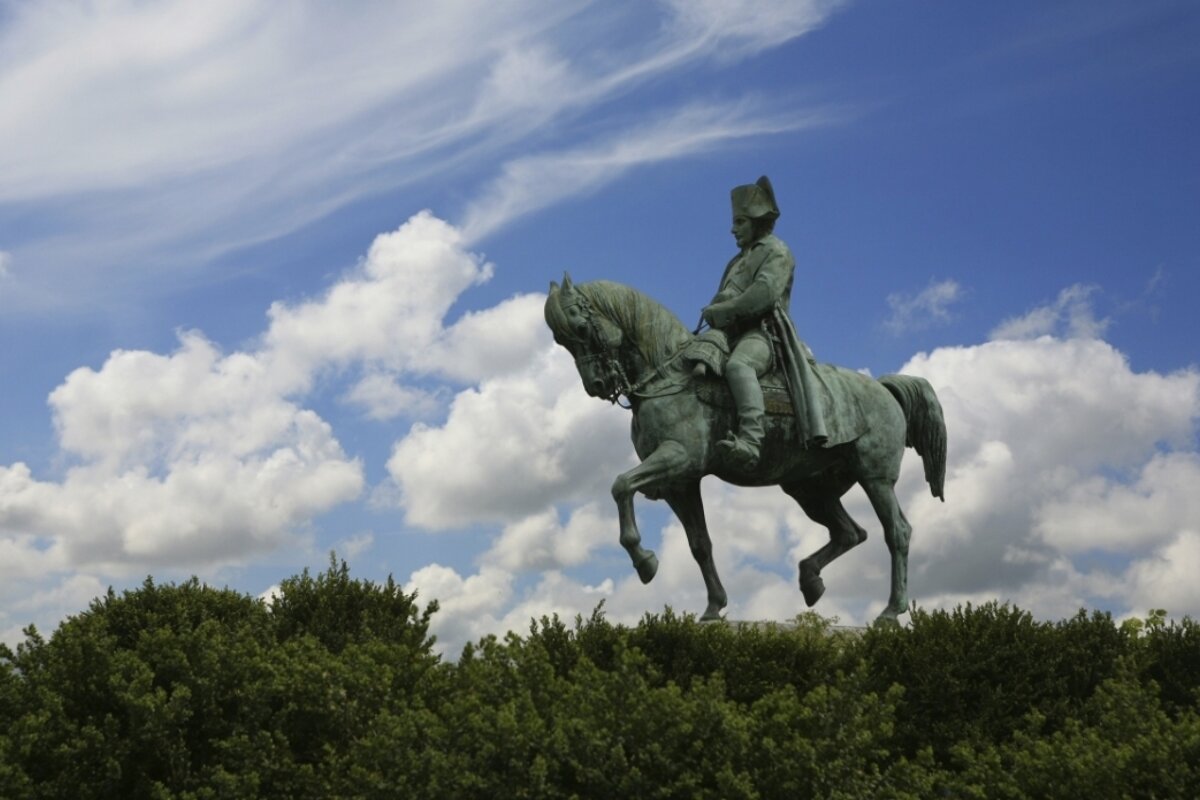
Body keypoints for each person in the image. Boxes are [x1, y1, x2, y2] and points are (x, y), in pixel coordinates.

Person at [701, 175, 825, 469]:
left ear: (756, 221)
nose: (733, 229)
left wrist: (724, 308)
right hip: (730, 333)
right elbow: (729, 295)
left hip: (766, 333)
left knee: (738, 366)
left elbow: (763, 296)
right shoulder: (736, 261)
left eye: (740, 222)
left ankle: (751, 441)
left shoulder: (776, 251)